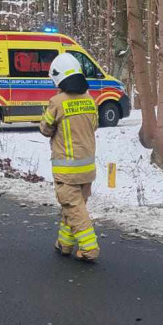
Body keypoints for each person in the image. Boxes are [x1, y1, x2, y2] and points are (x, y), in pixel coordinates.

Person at [40, 53, 100, 261]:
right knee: (72, 206)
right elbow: (94, 125)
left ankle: (89, 248)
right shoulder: (90, 100)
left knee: (74, 209)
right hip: (87, 168)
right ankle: (64, 244)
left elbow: (45, 129)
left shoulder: (56, 102)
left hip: (67, 170)